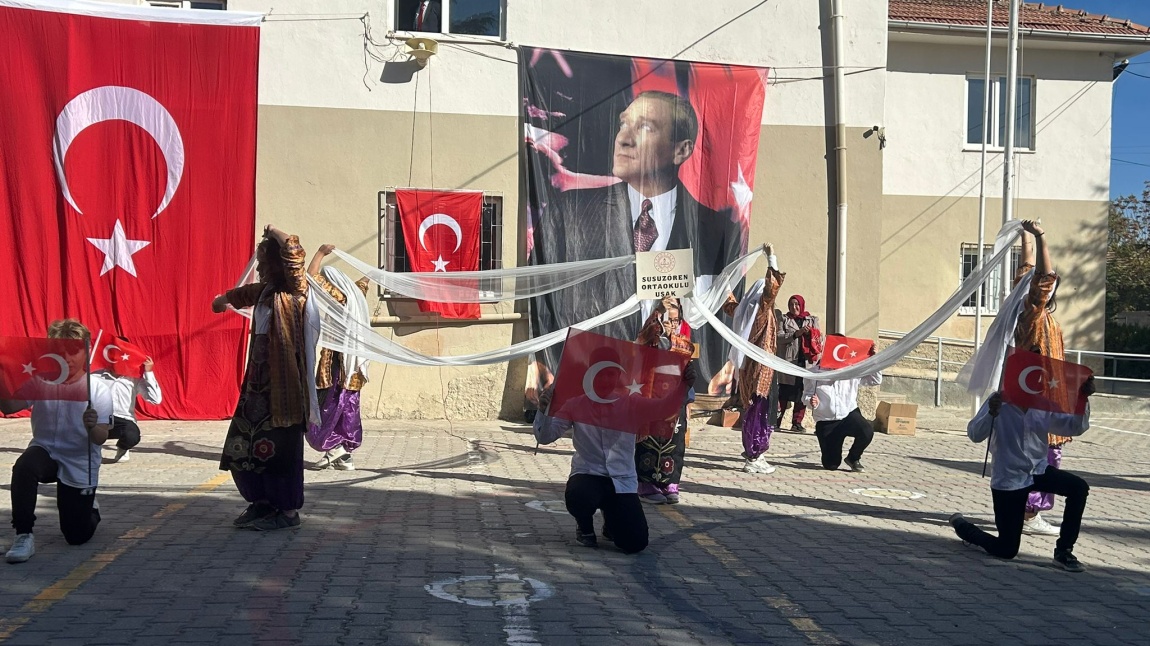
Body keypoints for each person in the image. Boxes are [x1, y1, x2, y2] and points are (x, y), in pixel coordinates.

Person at [527, 90, 744, 399]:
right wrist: (542, 355)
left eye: (645, 127)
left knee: (661, 448)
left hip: (670, 383)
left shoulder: (717, 230)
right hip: (595, 379)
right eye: (623, 124)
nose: (623, 139)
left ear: (681, 151)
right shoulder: (570, 214)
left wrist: (728, 360)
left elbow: (728, 305)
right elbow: (541, 285)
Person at [212, 225, 316, 531]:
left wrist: (275, 233)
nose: (258, 268)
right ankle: (260, 503)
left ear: (276, 263)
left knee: (281, 450)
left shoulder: (295, 291)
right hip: (256, 389)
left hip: (283, 392)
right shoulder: (267, 291)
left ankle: (286, 512)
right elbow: (241, 294)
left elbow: (294, 254)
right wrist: (221, 300)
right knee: (242, 446)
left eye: (262, 262)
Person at [948, 379, 1095, 573]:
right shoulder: (999, 400)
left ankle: (1064, 552)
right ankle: (962, 526)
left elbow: (1073, 427)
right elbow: (975, 434)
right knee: (1006, 549)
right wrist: (992, 414)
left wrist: (1082, 398)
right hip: (1009, 477)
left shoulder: (1043, 403)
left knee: (1078, 487)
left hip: (1038, 469)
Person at [2, 319, 114, 564]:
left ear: (85, 350)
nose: (68, 357)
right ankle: (23, 535)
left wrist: (92, 425)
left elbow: (101, 438)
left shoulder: (98, 389)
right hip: (45, 450)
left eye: (74, 351)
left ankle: (90, 507)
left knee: (76, 536)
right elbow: (9, 406)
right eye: (61, 351)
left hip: (79, 458)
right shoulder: (41, 380)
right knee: (24, 466)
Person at [1012, 221, 1070, 537]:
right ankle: (1029, 513)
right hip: (1038, 395)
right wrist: (1041, 236)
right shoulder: (1032, 313)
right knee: (1043, 456)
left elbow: (1027, 268)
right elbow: (1042, 277)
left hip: (1037, 392)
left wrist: (1024, 237)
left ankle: (1022, 510)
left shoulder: (1028, 312)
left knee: (1033, 454)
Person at [305, 244, 371, 471]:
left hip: (338, 366)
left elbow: (310, 276)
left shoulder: (339, 298)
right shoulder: (356, 298)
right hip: (354, 367)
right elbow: (363, 284)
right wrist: (371, 274)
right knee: (348, 408)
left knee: (330, 406)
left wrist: (321, 253)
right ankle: (343, 455)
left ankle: (333, 448)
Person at [721, 245, 784, 474]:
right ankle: (755, 455)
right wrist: (771, 258)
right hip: (761, 369)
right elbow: (772, 287)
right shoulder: (762, 309)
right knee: (759, 410)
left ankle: (754, 453)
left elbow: (729, 304)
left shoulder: (743, 311)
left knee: (750, 409)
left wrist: (724, 283)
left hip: (747, 368)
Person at [633, 296, 695, 504]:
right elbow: (644, 335)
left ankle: (670, 483)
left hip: (674, 404)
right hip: (651, 399)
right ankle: (647, 486)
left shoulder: (684, 345)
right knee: (650, 442)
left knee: (675, 442)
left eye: (676, 321)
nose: (672, 325)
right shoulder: (650, 342)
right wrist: (659, 310)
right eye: (668, 321)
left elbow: (688, 371)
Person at [802, 365, 881, 472]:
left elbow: (875, 380)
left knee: (866, 431)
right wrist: (812, 402)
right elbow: (806, 396)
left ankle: (853, 458)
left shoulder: (852, 369)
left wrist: (873, 360)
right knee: (831, 465)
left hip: (848, 414)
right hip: (827, 421)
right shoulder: (814, 373)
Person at [96, 355, 162, 464]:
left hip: (123, 420)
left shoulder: (134, 378)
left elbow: (155, 399)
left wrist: (148, 372)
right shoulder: (95, 376)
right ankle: (92, 448)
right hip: (100, 419)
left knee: (132, 436)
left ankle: (122, 447)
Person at [777, 294, 822, 432]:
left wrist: (809, 333)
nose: (794, 307)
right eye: (791, 304)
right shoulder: (784, 319)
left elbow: (819, 338)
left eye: (797, 304)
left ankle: (797, 422)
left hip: (806, 362)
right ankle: (776, 420)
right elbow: (778, 337)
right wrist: (797, 333)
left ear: (802, 305)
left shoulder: (812, 319)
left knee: (802, 392)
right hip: (789, 361)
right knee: (784, 391)